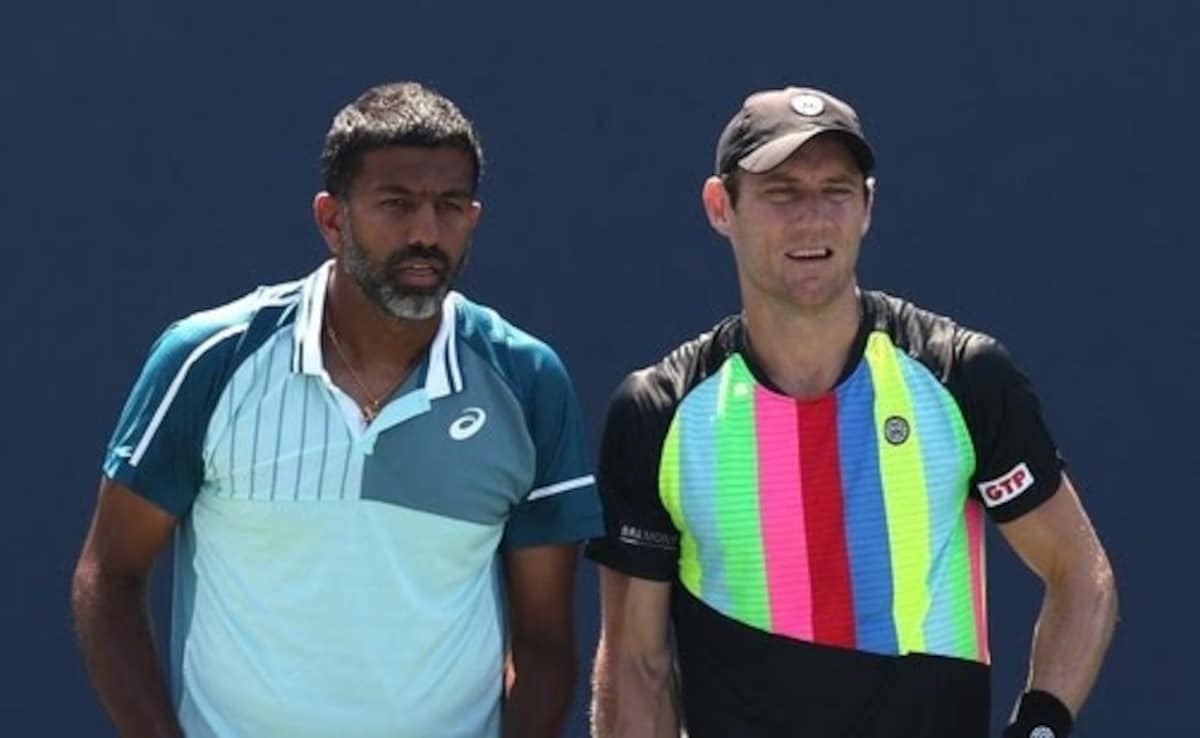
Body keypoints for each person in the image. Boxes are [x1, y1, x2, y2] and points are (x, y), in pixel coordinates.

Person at [71, 81, 602, 738]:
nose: (426, 232)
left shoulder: (527, 382)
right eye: (395, 204)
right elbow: (109, 577)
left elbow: (545, 642)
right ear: (332, 220)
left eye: (449, 206)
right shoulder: (209, 360)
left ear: (473, 218)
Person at [586, 86, 1117, 738]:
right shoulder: (658, 413)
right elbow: (636, 665)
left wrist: (1040, 726)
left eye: (835, 191)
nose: (813, 219)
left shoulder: (963, 376)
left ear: (867, 207)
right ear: (721, 207)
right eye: (782, 193)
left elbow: (1080, 574)